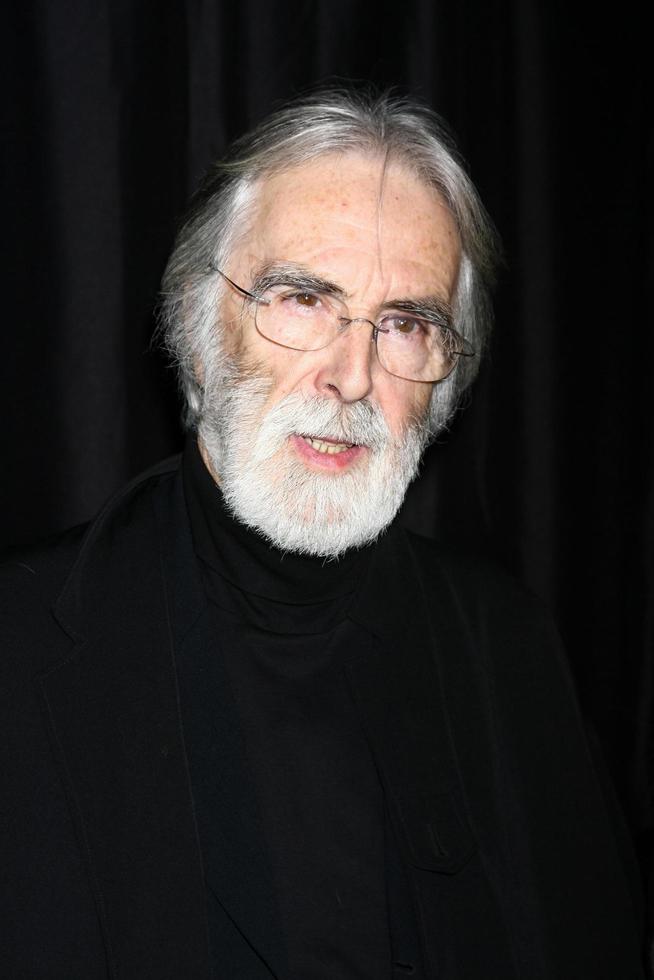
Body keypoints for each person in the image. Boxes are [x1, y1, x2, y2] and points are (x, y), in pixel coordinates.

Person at [0, 88, 645, 979]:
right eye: (304, 298)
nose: (352, 375)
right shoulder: (18, 647)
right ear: (197, 325)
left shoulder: (512, 647)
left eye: (407, 324)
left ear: (445, 382)